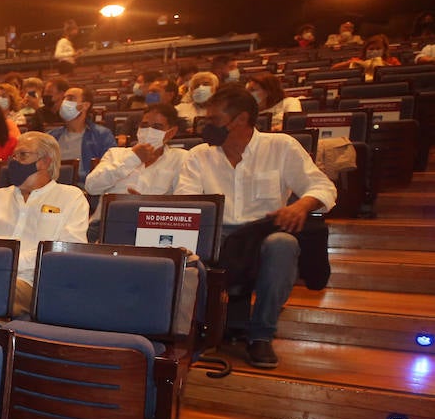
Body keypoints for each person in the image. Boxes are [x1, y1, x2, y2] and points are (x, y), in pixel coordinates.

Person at [175, 83, 336, 369]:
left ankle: (261, 335)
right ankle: (193, 330)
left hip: (262, 233)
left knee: (283, 244)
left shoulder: (281, 147)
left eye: (214, 120)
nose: (207, 126)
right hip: (217, 235)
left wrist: (300, 205)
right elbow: (187, 203)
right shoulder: (199, 155)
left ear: (241, 120)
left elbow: (322, 186)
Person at [0, 131, 89, 315]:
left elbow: (68, 250)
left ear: (45, 161)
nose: (14, 161)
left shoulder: (71, 198)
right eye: (13, 156)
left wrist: (5, 262)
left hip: (33, 282)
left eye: (23, 155)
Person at [83, 103, 189, 239]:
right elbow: (92, 187)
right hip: (106, 223)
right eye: (144, 125)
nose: (149, 131)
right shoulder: (115, 154)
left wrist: (144, 204)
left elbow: (184, 205)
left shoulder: (181, 158)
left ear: (171, 132)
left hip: (152, 226)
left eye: (157, 127)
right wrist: (133, 158)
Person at [45, 86, 115, 177]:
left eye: (70, 98)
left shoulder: (102, 136)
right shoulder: (51, 137)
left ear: (85, 105)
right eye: (63, 98)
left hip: (85, 187)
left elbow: (110, 170)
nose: (64, 102)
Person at [331, 34, 401, 82]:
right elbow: (334, 69)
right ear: (365, 50)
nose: (374, 51)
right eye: (371, 49)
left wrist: (384, 64)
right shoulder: (358, 60)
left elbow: (400, 74)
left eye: (378, 49)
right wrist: (350, 63)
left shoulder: (392, 60)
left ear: (384, 50)